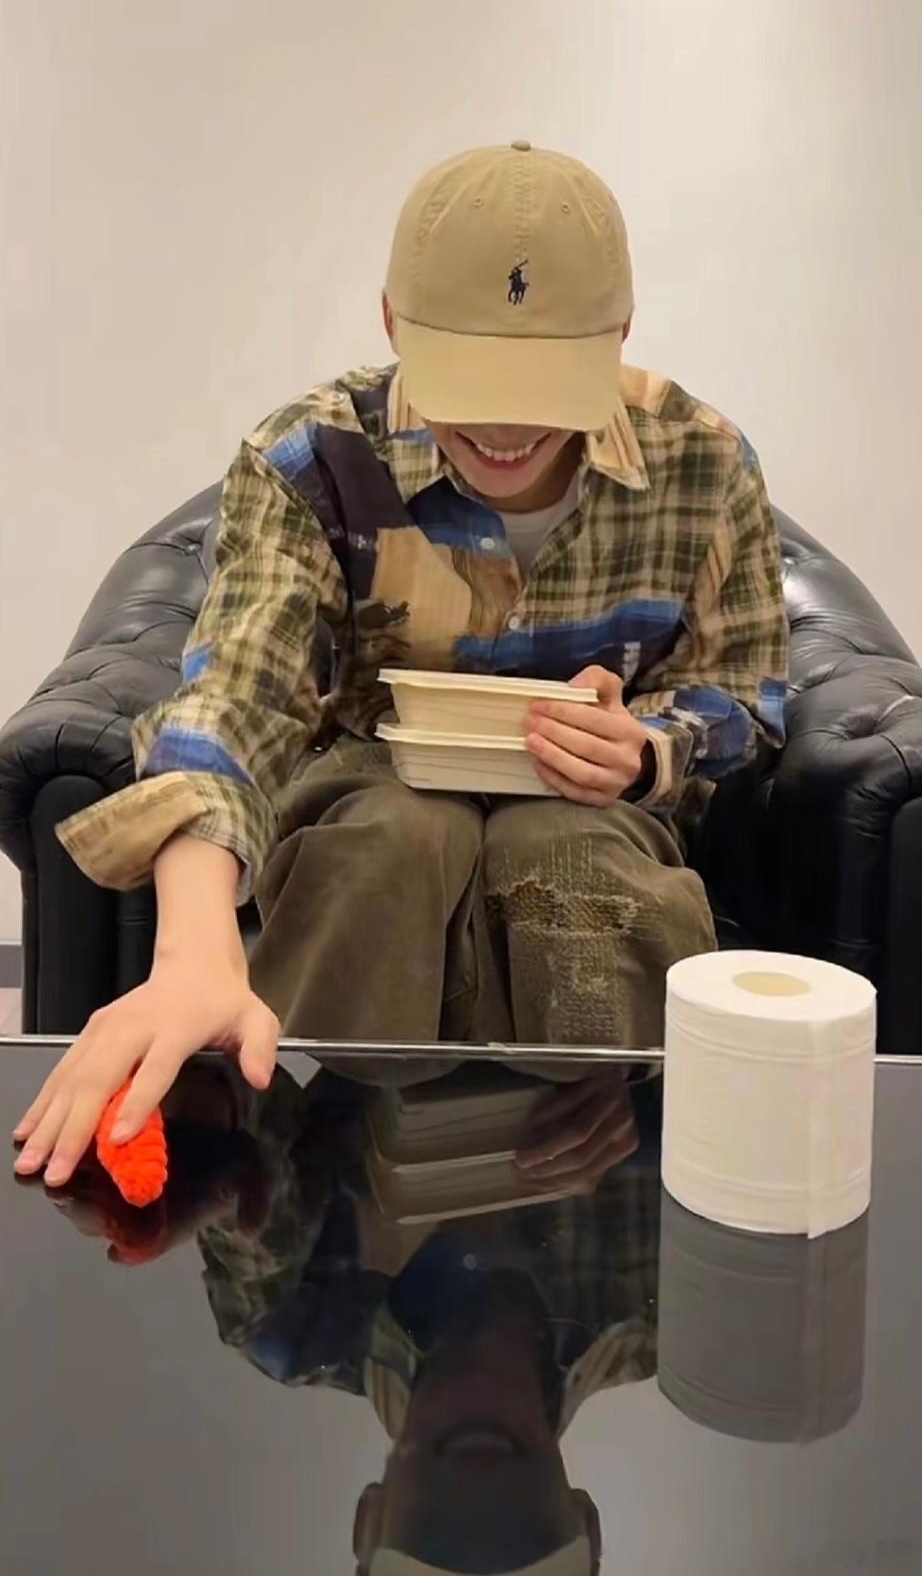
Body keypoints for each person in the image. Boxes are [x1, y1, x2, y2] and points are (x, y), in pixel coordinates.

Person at [13, 141, 788, 1187]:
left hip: (598, 809)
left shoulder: (702, 459)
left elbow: (746, 692)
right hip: (366, 780)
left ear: (619, 335)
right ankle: (305, 1182)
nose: (505, 428)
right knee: (392, 841)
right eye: (471, 381)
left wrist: (649, 746)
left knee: (574, 858)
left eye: (543, 383)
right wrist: (193, 949)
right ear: (391, 323)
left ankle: (624, 1191)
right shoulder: (314, 456)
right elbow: (240, 687)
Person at [40, 1056, 662, 1575]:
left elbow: (248, 1107)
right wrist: (643, 1072)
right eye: (520, 1534)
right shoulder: (664, 1314)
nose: (480, 1491)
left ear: (372, 1520)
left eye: (437, 1530)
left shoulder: (294, 1324)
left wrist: (197, 1123)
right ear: (584, 1523)